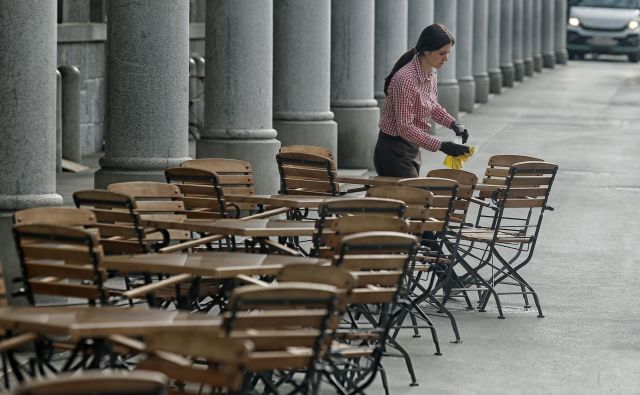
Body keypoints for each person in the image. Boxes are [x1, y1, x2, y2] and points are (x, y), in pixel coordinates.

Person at [374, 23, 471, 178]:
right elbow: (405, 128)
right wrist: (441, 146)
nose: (446, 58)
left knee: (408, 199)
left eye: (448, 53)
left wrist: (453, 123)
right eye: (441, 53)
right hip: (393, 150)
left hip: (411, 147)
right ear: (426, 50)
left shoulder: (431, 72)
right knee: (412, 198)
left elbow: (431, 105)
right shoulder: (405, 79)